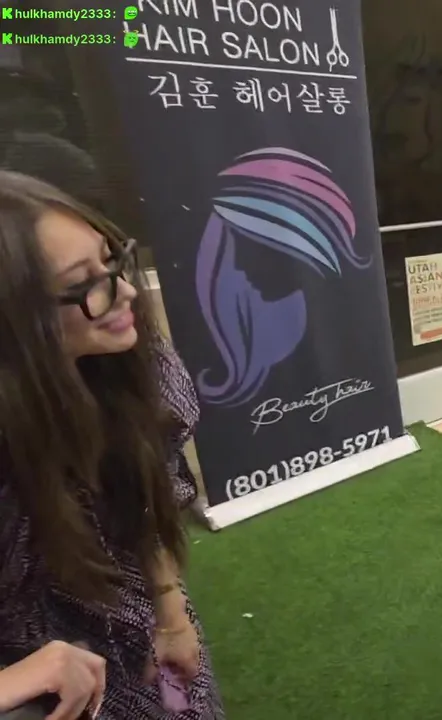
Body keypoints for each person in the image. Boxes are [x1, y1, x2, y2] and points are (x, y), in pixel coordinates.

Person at [0, 172, 224, 719]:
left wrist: (169, 609)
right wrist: (13, 682)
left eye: (111, 259)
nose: (124, 291)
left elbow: (150, 492)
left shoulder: (131, 361)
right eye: (85, 284)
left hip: (126, 606)